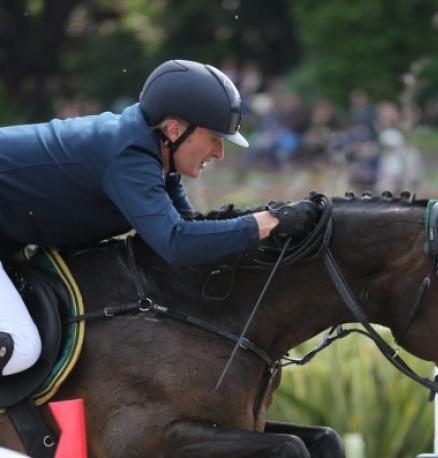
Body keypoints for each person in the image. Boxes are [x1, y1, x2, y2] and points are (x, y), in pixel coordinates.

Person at [0, 59, 321, 378]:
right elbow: (176, 243)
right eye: (214, 138)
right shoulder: (130, 156)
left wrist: (268, 221)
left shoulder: (152, 154)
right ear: (174, 129)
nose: (220, 153)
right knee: (21, 347)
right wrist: (268, 222)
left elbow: (192, 230)